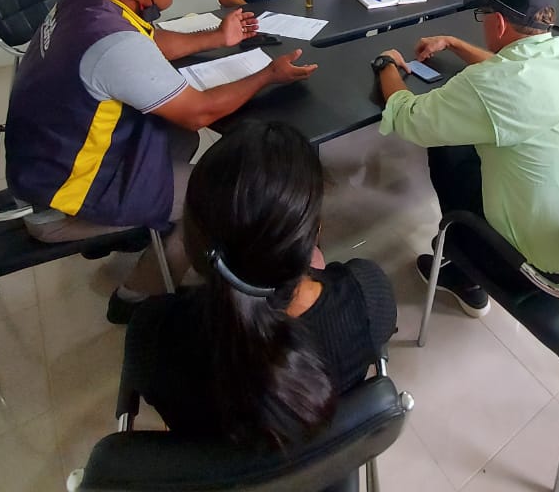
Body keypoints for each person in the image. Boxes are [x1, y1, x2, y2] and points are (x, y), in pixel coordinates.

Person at [5, 0, 317, 322]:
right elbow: (199, 112)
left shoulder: (85, 0)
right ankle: (135, 296)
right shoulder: (113, 46)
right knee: (212, 198)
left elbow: (149, 43)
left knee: (180, 137)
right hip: (59, 200)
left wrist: (218, 37)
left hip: (45, 162)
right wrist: (267, 75)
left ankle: (144, 222)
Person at [126, 121, 397, 445]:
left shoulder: (153, 334)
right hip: (324, 465)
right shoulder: (366, 295)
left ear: (194, 242)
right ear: (313, 235)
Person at [375, 0, 559, 315]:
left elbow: (409, 118)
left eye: (482, 16)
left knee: (447, 148)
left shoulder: (490, 84)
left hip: (542, 272)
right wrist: (454, 43)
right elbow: (512, 69)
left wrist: (386, 64)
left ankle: (466, 273)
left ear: (497, 23)